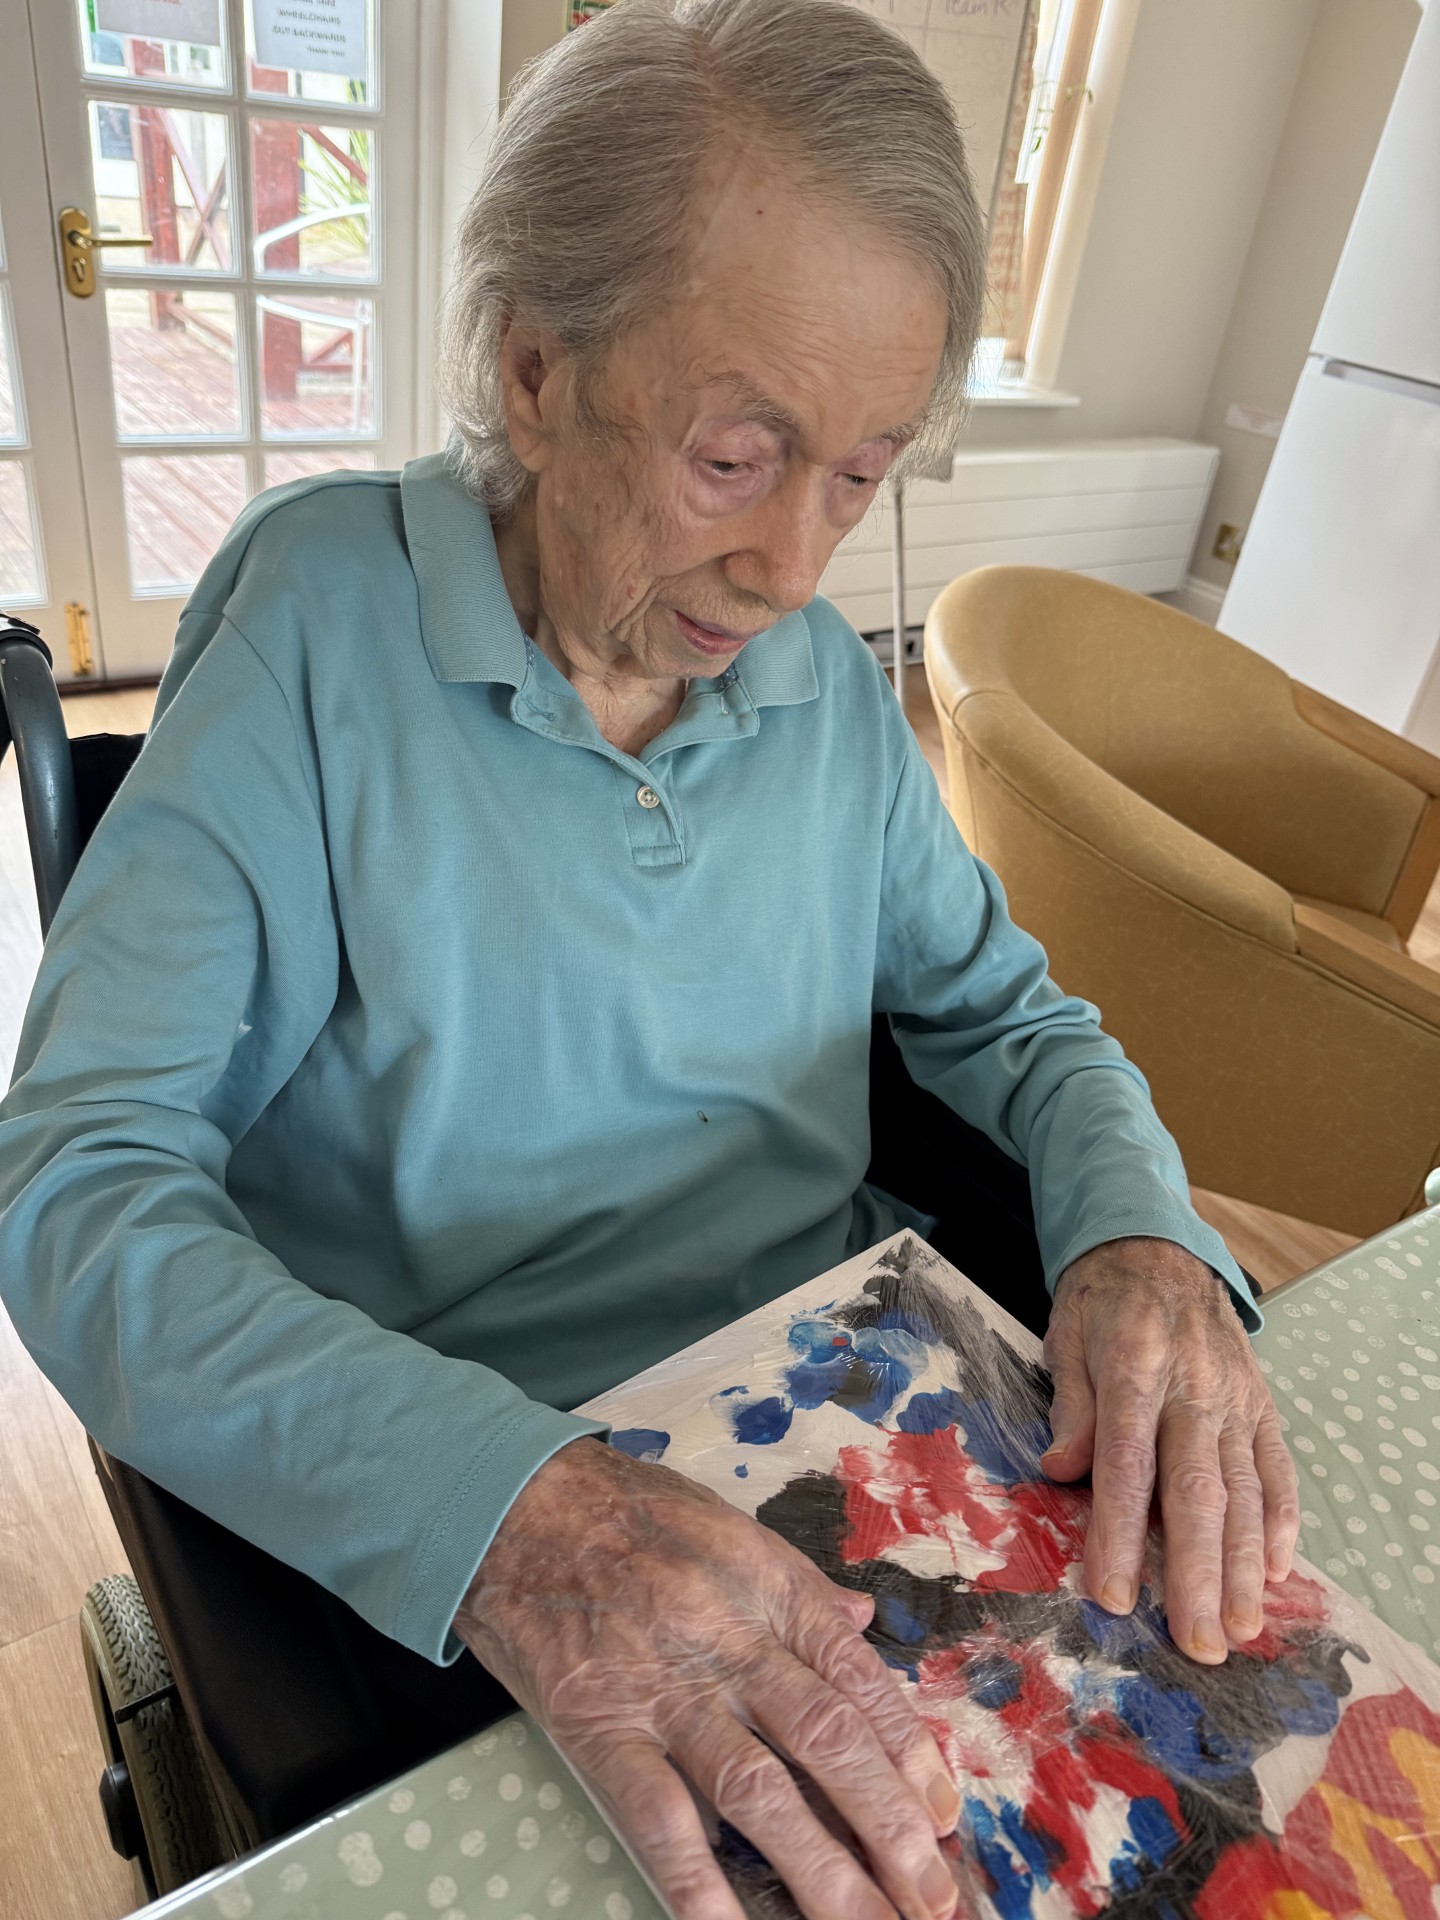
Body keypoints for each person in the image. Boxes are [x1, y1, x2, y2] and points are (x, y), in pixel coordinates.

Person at [0, 2, 1298, 1915]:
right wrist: (518, 1516)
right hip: (469, 1507)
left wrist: (1136, 1238)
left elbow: (1014, 1021)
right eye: (735, 452)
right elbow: (74, 1192)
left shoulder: (819, 700)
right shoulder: (315, 628)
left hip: (873, 1450)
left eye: (856, 474)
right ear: (535, 369)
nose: (792, 569)